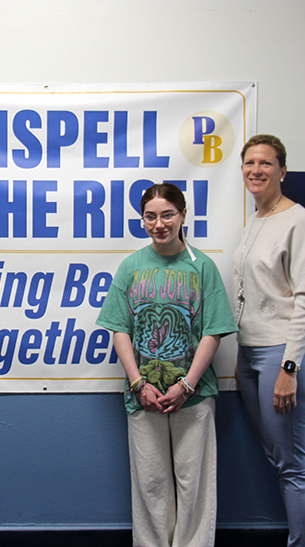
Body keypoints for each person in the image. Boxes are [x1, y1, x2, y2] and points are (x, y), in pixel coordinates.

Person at [96, 183, 236, 547]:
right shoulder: (131, 267)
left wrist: (186, 384)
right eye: (151, 216)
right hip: (143, 396)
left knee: (194, 484)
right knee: (150, 483)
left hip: (194, 395)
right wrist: (138, 383)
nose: (159, 224)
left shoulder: (202, 267)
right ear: (143, 221)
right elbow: (119, 330)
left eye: (167, 214)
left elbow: (213, 333)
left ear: (183, 215)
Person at [232, 134, 305, 547]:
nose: (256, 170)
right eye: (250, 163)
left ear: (282, 171)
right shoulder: (257, 219)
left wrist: (289, 368)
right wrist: (241, 353)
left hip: (283, 357)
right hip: (252, 354)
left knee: (293, 466)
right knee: (280, 458)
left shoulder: (298, 221)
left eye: (266, 163)